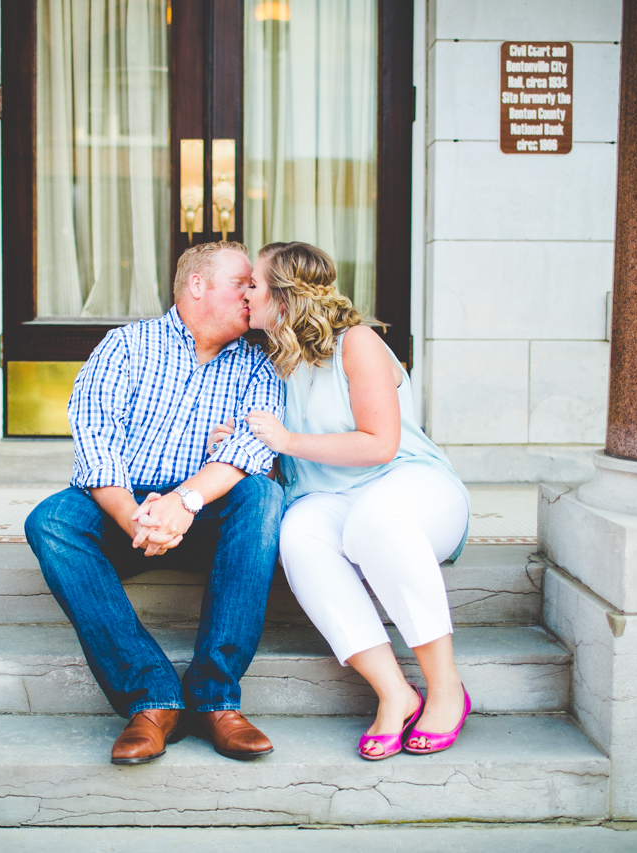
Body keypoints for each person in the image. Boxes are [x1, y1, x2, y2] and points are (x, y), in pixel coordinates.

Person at [24, 242, 285, 766]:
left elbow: (253, 447)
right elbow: (96, 441)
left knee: (263, 494)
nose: (255, 296)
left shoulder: (260, 362)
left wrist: (184, 503)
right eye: (244, 284)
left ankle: (215, 698)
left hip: (206, 507)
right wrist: (135, 517)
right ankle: (153, 698)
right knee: (51, 520)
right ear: (197, 286)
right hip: (129, 508)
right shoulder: (126, 346)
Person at [212, 241, 472, 760]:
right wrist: (242, 438)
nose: (246, 294)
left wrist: (286, 441)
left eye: (254, 285)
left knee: (374, 521)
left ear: (283, 298)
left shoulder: (358, 342)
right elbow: (287, 452)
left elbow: (380, 443)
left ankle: (446, 688)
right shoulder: (273, 360)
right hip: (328, 497)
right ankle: (394, 691)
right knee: (298, 533)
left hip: (410, 487)